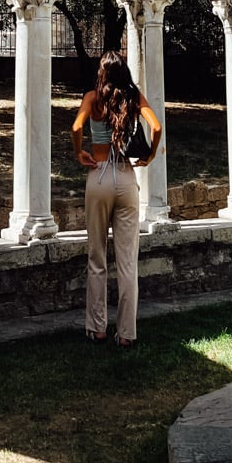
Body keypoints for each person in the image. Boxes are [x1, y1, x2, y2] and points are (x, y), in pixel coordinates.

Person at [71, 51, 162, 347]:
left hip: (98, 176)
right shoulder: (133, 98)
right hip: (125, 178)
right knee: (127, 262)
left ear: (102, 72)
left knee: (97, 256)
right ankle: (126, 334)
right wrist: (149, 155)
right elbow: (157, 127)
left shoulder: (92, 98)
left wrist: (79, 152)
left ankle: (97, 328)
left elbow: (76, 127)